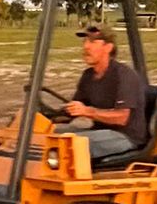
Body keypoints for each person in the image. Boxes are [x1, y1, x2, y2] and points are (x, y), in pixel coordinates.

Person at [61, 23, 149, 165]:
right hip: (100, 131)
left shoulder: (124, 75)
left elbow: (121, 118)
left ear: (108, 47)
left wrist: (87, 111)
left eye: (93, 41)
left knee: (67, 145)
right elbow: (73, 110)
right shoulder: (88, 76)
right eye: (85, 41)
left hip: (125, 137)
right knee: (47, 136)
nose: (86, 47)